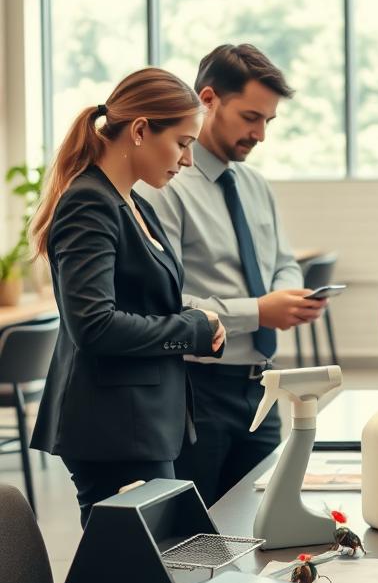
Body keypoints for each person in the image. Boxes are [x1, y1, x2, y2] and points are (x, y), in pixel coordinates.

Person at [30, 68, 226, 528]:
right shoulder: (89, 203)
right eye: (182, 142)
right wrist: (191, 330)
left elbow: (141, 301)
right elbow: (94, 325)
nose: (188, 159)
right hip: (114, 430)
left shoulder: (131, 203)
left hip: (143, 424)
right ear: (140, 130)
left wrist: (196, 317)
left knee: (148, 572)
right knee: (131, 578)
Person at [138, 44, 325, 506]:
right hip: (198, 390)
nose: (260, 133)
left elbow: (283, 259)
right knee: (197, 535)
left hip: (262, 386)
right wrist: (259, 312)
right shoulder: (166, 186)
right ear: (208, 100)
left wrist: (286, 296)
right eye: (250, 117)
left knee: (266, 520)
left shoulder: (254, 184)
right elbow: (166, 302)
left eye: (268, 121)